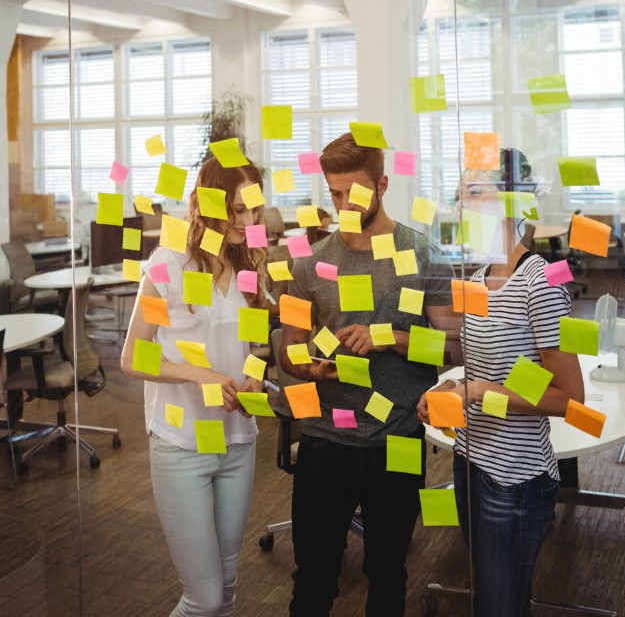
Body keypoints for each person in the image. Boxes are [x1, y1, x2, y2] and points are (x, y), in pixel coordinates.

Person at [279, 132, 454, 617]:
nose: (343, 204)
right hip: (324, 438)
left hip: (397, 436)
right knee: (312, 581)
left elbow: (454, 347)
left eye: (353, 192)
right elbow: (287, 352)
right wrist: (308, 366)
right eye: (334, 193)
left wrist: (390, 338)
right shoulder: (309, 262)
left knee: (387, 575)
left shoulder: (422, 253)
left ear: (382, 184)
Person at [418, 148, 584, 617]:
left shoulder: (542, 281)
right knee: (496, 601)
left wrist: (480, 393)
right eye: (459, 194)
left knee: (499, 606)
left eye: (474, 192)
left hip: (515, 479)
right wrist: (449, 392)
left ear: (512, 200)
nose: (460, 206)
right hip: (470, 462)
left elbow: (569, 398)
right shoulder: (477, 277)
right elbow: (480, 370)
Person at [121, 156, 271, 617]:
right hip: (181, 443)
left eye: (253, 211)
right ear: (208, 206)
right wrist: (198, 373)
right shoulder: (170, 261)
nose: (246, 223)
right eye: (235, 211)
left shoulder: (251, 263)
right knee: (202, 599)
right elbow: (131, 356)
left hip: (237, 442)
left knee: (225, 590)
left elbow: (255, 347)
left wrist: (253, 376)